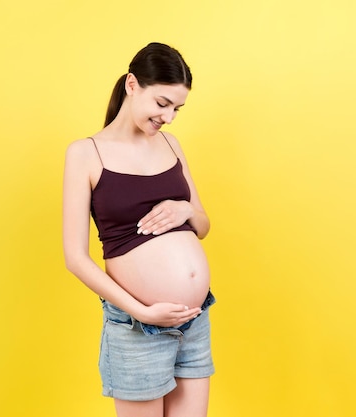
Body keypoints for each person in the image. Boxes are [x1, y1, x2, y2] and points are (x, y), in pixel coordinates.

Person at [62, 42, 214, 417]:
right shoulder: (85, 154)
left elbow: (203, 225)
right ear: (132, 84)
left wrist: (185, 209)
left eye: (177, 108)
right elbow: (75, 258)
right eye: (163, 104)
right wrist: (142, 312)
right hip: (136, 325)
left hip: (193, 321)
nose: (170, 117)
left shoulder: (171, 145)